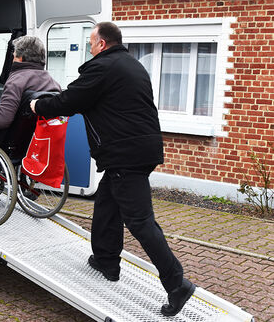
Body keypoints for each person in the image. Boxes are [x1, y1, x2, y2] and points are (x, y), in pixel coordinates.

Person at [30, 22, 195, 317]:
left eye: (91, 43)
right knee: (107, 203)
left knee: (140, 221)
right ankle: (106, 260)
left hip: (124, 155)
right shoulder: (132, 66)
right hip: (140, 150)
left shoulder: (102, 67)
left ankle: (176, 283)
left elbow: (70, 100)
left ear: (102, 44)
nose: (90, 49)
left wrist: (38, 106)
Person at [0, 35, 60, 146]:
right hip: (39, 143)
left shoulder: (16, 80)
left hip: (12, 145)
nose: (12, 60)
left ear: (20, 58)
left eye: (13, 57)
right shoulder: (53, 84)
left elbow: (3, 117)